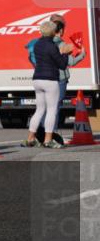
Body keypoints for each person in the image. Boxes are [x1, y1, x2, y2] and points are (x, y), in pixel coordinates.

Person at [23, 19, 72, 149]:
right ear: (53, 32)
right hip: (50, 80)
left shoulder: (37, 44)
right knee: (51, 110)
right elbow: (61, 65)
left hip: (37, 79)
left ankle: (30, 139)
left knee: (39, 110)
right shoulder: (52, 46)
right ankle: (48, 140)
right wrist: (66, 53)